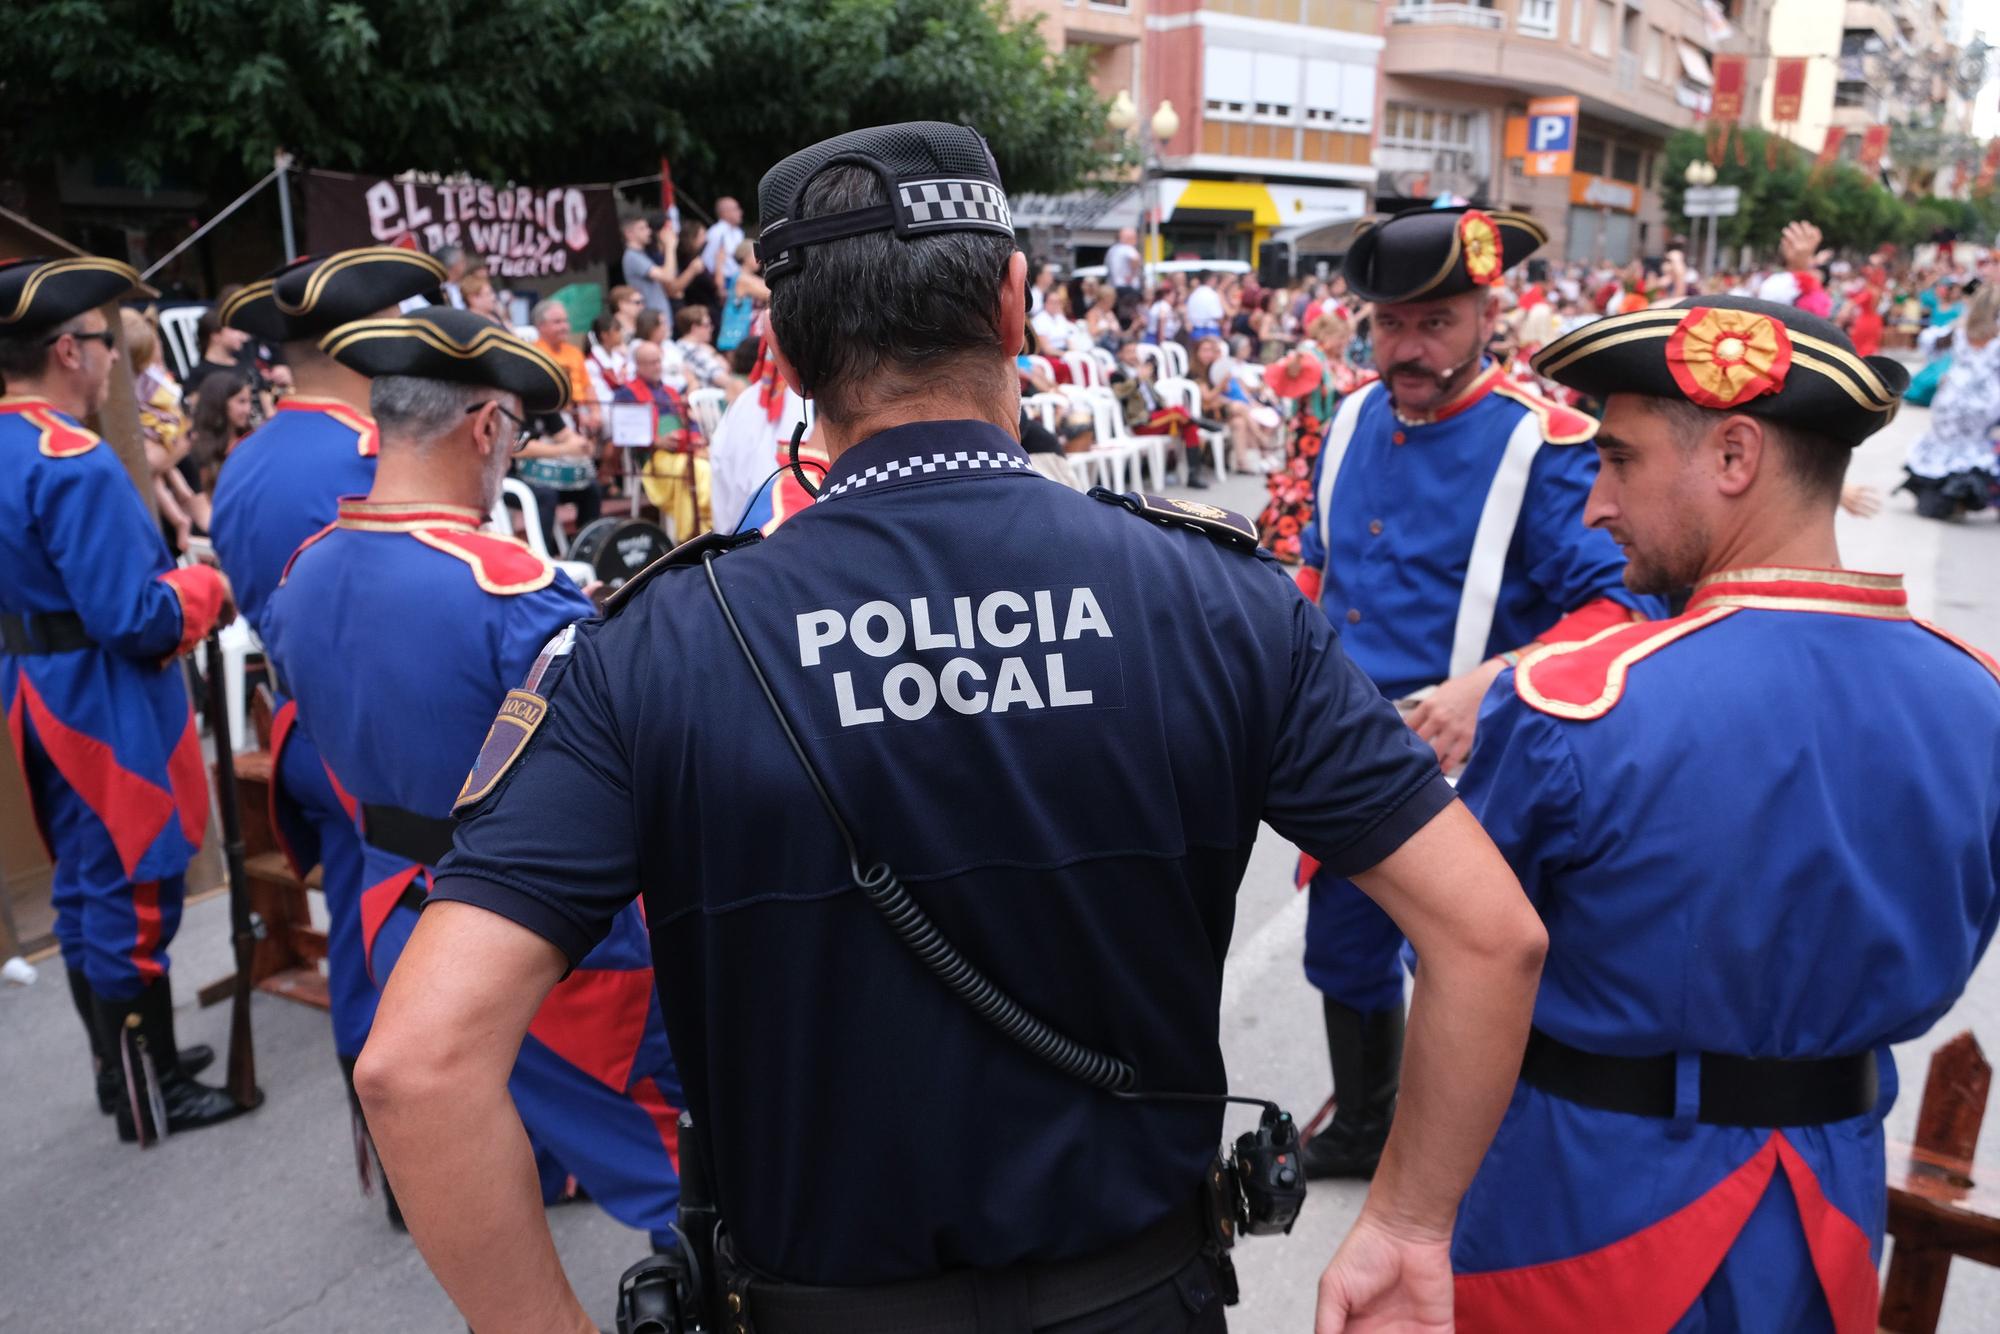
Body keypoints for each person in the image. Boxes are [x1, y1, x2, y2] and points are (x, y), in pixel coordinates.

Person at [353, 119, 1546, 1334]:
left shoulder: (651, 646)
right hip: (1141, 1298)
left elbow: (418, 1063)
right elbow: (1488, 937)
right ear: (1015, 304)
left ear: (780, 348)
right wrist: (1404, 1222)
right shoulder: (1213, 599)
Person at [1450, 295, 2000, 1333]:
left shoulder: (1575, 702)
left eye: (1616, 460)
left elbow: (1456, 963)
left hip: (1578, 1200)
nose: (1591, 505)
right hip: (1825, 1204)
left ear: (1734, 453)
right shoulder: (1979, 697)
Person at [265, 305, 686, 1252]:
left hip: (394, 911)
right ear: (487, 426)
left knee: (485, 1165)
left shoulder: (306, 571)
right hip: (539, 933)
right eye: (517, 430)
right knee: (678, 1164)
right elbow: (619, 779)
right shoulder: (513, 592)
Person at [1292, 206, 1663, 1183]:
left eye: (1434, 322)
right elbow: (1314, 569)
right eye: (1387, 324)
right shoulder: (1348, 419)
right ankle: (1365, 1122)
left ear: (1486, 314)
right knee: (1342, 947)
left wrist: (1487, 682)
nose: (1406, 347)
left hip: (1477, 762)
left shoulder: (1542, 445)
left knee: (1468, 967)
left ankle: (1475, 1146)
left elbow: (1624, 607)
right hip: (1342, 753)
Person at [207, 247, 447, 1187]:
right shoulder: (372, 452)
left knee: (360, 937)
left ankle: (391, 1162)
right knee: (430, 935)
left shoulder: (248, 458)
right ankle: (440, 1162)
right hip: (387, 736)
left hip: (307, 725)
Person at [0, 256, 239, 1144]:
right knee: (132, 889)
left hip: (33, 691)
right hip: (98, 700)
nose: (112, 363)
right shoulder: (75, 461)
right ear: (68, 349)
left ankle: (124, 1070)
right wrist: (201, 591)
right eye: (104, 344)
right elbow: (133, 618)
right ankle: (156, 1090)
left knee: (84, 889)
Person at [1900, 284, 2000, 519]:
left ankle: (1946, 501)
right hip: (1984, 402)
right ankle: (1960, 501)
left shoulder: (1961, 331)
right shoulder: (1993, 336)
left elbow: (1928, 341)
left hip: (1952, 398)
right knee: (1972, 451)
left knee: (1944, 448)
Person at [618, 337, 710, 538]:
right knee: (696, 471)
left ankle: (711, 527)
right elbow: (625, 432)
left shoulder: (670, 391)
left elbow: (690, 423)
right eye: (652, 363)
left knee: (713, 465)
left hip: (684, 450)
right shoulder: (626, 394)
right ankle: (692, 535)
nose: (658, 366)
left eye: (659, 361)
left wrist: (696, 438)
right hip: (653, 458)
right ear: (639, 365)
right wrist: (656, 441)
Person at [619, 212, 675, 315]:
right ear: (629, 233)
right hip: (651, 321)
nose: (648, 232)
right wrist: (670, 246)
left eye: (647, 228)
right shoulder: (632, 257)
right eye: (642, 228)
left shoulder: (641, 254)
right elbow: (667, 276)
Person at [674, 304, 729, 389]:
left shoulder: (678, 346)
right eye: (707, 325)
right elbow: (722, 379)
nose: (711, 328)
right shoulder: (693, 350)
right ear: (694, 328)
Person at [702, 195, 746, 297]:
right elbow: (707, 260)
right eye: (736, 209)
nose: (740, 212)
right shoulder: (716, 232)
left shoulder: (738, 232)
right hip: (725, 282)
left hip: (740, 277)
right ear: (724, 213)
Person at [1106, 226, 1142, 319]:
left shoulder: (1112, 250)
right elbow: (1135, 258)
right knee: (1129, 316)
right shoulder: (1128, 248)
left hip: (1114, 288)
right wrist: (1132, 275)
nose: (1136, 240)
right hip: (1127, 289)